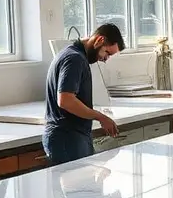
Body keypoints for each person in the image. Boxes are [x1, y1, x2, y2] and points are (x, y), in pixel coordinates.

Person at [43, 23, 124, 166]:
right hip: (67, 138)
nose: (105, 59)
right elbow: (65, 100)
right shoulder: (74, 59)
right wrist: (100, 116)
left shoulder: (71, 54)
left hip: (71, 137)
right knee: (78, 187)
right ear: (99, 40)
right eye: (107, 53)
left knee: (86, 185)